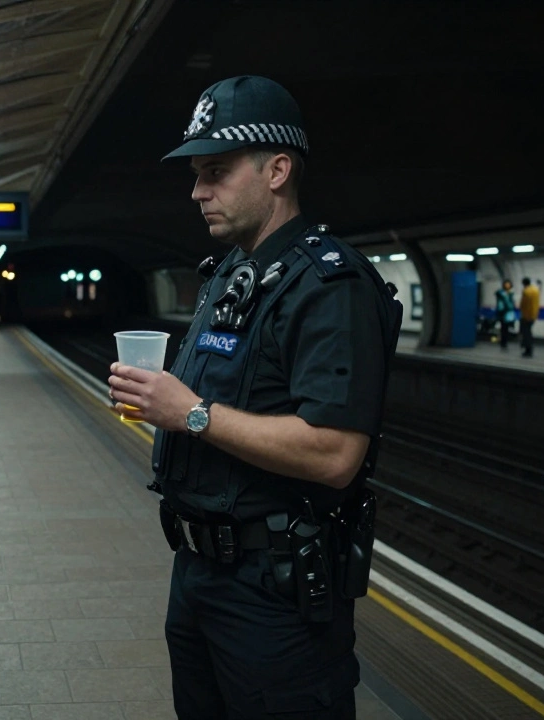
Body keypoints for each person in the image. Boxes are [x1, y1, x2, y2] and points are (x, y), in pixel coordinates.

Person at [107, 76, 402, 718]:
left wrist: (189, 413)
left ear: (277, 169)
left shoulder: (331, 287)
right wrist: (158, 400)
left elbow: (334, 453)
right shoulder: (233, 276)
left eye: (215, 171)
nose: (196, 191)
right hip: (199, 577)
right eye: (195, 173)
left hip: (276, 601)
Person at [519, 277, 540, 357]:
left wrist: (524, 314)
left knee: (526, 334)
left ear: (524, 283)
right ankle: (529, 349)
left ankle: (528, 350)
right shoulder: (536, 290)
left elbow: (523, 304)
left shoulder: (526, 291)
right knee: (529, 333)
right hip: (533, 315)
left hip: (526, 316)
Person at [495, 279, 517, 351]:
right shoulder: (501, 293)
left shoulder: (510, 293)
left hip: (508, 313)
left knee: (506, 328)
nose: (507, 285)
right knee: (503, 328)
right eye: (506, 284)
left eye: (508, 284)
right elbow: (508, 303)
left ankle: (504, 342)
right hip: (502, 313)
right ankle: (503, 343)